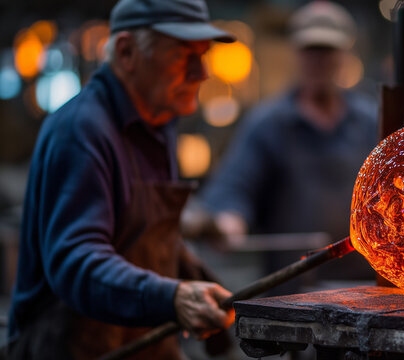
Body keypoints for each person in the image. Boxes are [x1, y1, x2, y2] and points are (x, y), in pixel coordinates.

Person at [7, 0, 237, 359]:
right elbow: (76, 261)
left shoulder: (157, 123)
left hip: (144, 343)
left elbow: (137, 234)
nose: (201, 72)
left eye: (203, 55)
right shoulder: (82, 130)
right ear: (127, 52)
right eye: (183, 56)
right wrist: (172, 297)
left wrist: (193, 277)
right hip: (72, 348)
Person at [183, 1, 378, 289]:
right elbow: (235, 187)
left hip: (367, 291)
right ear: (296, 52)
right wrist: (227, 221)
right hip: (294, 295)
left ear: (343, 55)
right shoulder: (269, 125)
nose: (318, 61)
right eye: (311, 51)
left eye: (327, 51)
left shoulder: (370, 122)